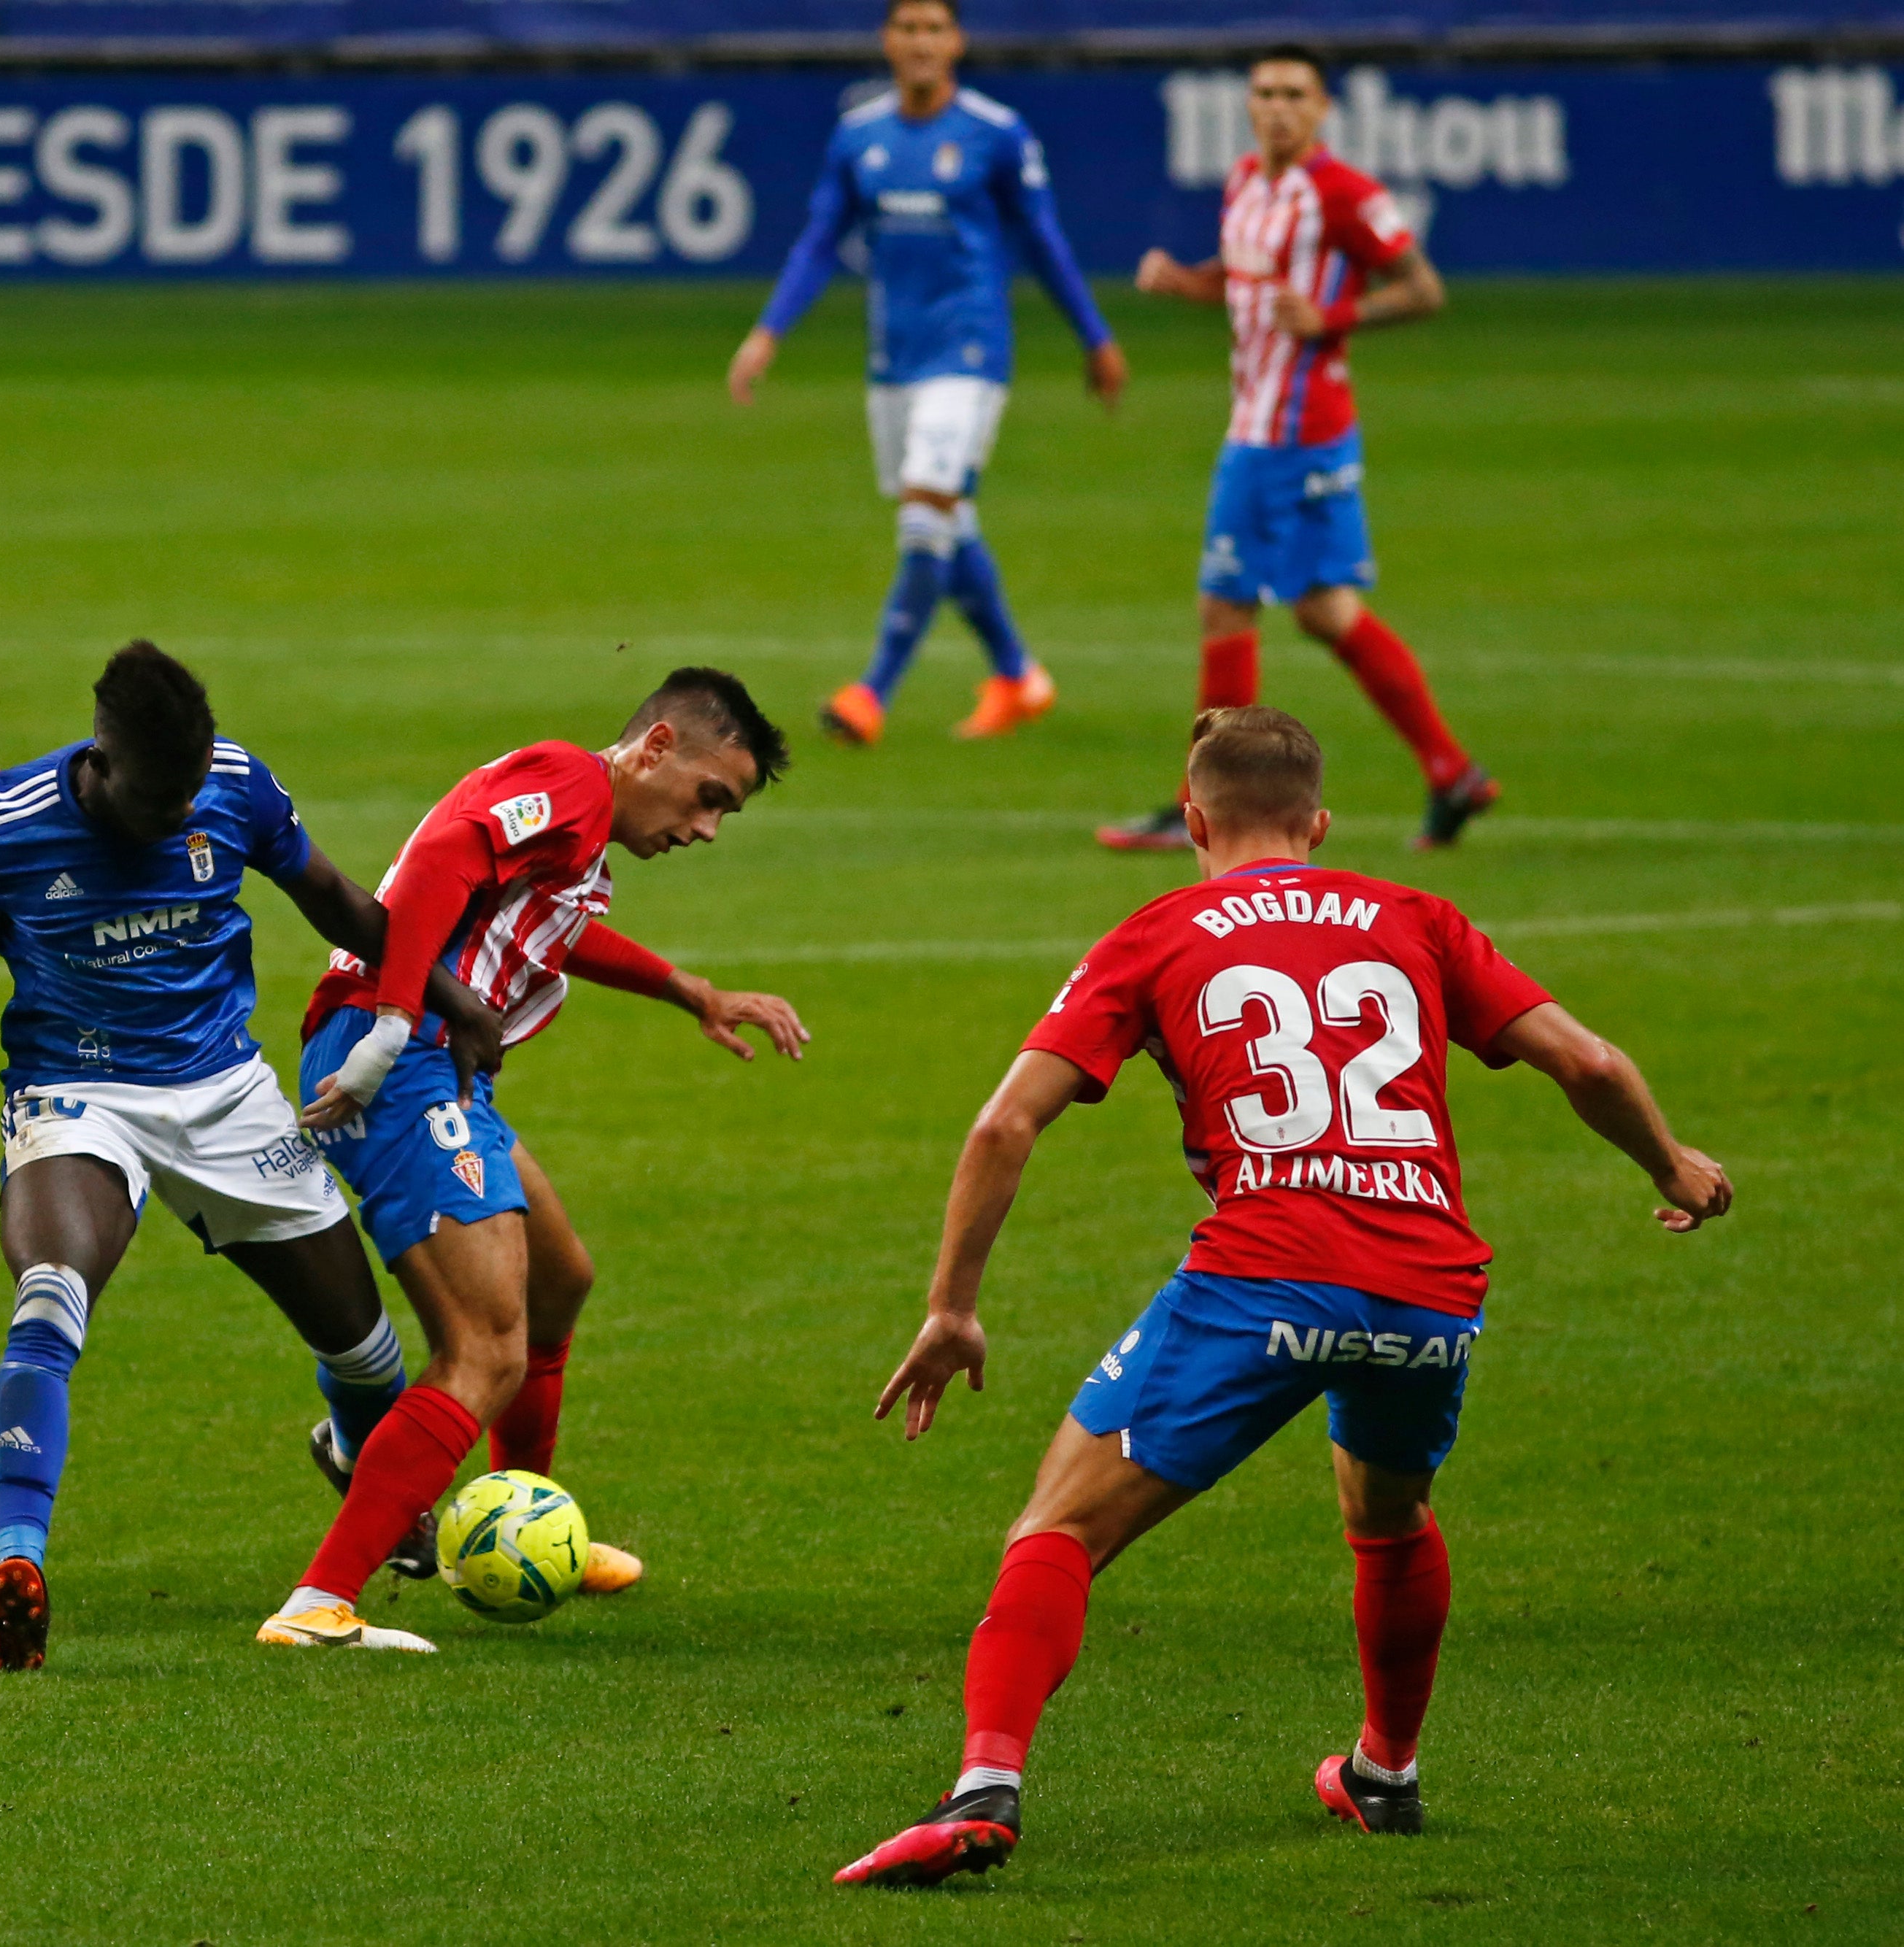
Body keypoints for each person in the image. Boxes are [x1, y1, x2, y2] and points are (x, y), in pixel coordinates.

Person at [836, 706, 1731, 1886]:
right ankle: (1385, 1773)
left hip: (1264, 1274)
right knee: (1390, 1514)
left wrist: (952, 1305)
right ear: (1320, 823)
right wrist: (1672, 1163)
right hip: (1429, 1291)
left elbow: (1009, 1117)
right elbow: (1592, 1062)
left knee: (1056, 1527)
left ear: (1193, 817)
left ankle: (983, 1789)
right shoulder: (1415, 915)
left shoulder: (1155, 931)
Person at [0, 641, 504, 1671]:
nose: (177, 814)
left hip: (226, 1095)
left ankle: (355, 1454)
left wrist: (452, 998)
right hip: (78, 1098)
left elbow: (341, 903)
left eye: (189, 792)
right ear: (102, 763)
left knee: (362, 1347)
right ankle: (17, 1564)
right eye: (158, 798)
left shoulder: (234, 786)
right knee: (50, 1288)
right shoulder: (4, 827)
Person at [266, 668, 811, 1654]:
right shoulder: (568, 782)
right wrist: (393, 1023)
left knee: (560, 1279)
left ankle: (526, 1512)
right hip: (397, 1063)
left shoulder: (579, 829)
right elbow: (438, 857)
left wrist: (688, 990)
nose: (705, 829)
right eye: (707, 797)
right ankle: (319, 1603)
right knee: (486, 1346)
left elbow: (553, 931)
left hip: (438, 1070)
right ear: (653, 748)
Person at [1102, 48, 1496, 854]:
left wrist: (1330, 320)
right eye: (1265, 93)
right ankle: (1451, 770)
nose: (1277, 107)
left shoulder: (1344, 194)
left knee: (1224, 606)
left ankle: (1198, 805)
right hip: (1278, 425)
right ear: (1247, 105)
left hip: (1283, 432)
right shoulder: (1246, 180)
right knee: (1323, 610)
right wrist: (1188, 281)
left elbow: (1422, 290)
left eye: (1294, 95)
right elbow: (1247, 281)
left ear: (1321, 110)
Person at [729, 0, 1126, 750]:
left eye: (933, 29)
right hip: (894, 360)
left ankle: (870, 692)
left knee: (922, 517)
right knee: (947, 521)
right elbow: (820, 240)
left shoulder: (995, 133)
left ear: (956, 42)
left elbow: (1043, 241)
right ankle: (1017, 675)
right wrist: (767, 332)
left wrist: (1095, 337)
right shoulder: (860, 136)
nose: (919, 42)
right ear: (887, 41)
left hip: (969, 356)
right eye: (906, 28)